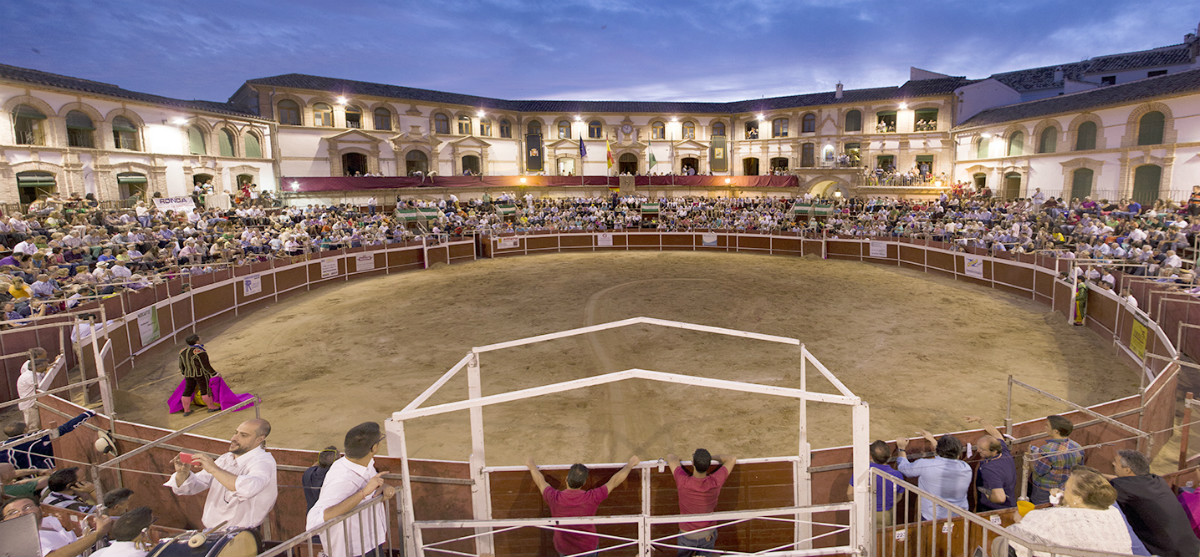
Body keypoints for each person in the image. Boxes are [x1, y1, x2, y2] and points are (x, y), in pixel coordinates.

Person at [165, 419, 277, 531]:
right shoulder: (226, 458)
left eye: (243, 435)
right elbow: (194, 485)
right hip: (211, 532)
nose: (234, 438)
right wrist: (182, 473)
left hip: (242, 536)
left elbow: (248, 488)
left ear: (259, 439)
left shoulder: (263, 462)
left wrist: (213, 469)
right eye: (236, 432)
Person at [307, 422, 395, 557]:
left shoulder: (364, 463)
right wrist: (363, 493)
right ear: (374, 447)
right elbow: (315, 519)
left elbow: (371, 484)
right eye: (380, 440)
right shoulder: (341, 479)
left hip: (371, 542)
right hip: (352, 551)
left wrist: (383, 487)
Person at [526, 454, 640, 557]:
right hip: (587, 548)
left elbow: (540, 481)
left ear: (566, 479)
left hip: (565, 549)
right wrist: (630, 465)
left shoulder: (554, 497)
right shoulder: (592, 497)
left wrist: (531, 465)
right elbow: (614, 481)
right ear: (584, 483)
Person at [1005, 467, 1132, 557]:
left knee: (1002, 544)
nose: (1063, 491)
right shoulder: (1112, 511)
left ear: (1078, 498)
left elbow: (1014, 535)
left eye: (1066, 489)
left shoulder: (1058, 517)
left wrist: (1022, 519)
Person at [1108, 449, 1200, 556]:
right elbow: (1127, 481)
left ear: (1128, 470)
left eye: (1116, 462)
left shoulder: (1121, 487)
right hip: (1190, 549)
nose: (1113, 464)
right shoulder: (1157, 480)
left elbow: (1105, 486)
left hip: (1165, 553)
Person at [667, 449, 736, 556]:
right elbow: (731, 459)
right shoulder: (715, 482)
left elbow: (671, 457)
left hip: (687, 535)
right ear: (708, 465)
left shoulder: (683, 481)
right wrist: (709, 458)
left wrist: (680, 459)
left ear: (693, 463)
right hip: (707, 535)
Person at [894, 430, 971, 520]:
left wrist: (901, 449)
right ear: (959, 454)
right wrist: (933, 440)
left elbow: (904, 468)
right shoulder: (966, 468)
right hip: (959, 517)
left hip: (932, 518)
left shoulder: (925, 465)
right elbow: (946, 457)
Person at [2, 495, 113, 557]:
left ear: (40, 509)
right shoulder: (18, 541)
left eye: (27, 507)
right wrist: (99, 533)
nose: (21, 513)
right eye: (12, 512)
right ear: (5, 520)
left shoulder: (48, 523)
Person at [3, 410, 96, 469]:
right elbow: (65, 428)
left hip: (25, 482)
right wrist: (87, 414)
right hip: (46, 472)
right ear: (25, 430)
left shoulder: (2, 446)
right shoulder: (36, 437)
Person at [964, 416, 1016, 511]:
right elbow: (996, 434)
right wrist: (979, 419)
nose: (978, 451)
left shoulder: (990, 469)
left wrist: (988, 496)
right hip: (1010, 504)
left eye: (982, 449)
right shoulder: (1003, 451)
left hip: (993, 509)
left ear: (993, 451)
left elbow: (1000, 498)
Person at [846, 440, 905, 524]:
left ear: (870, 456)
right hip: (887, 513)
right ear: (890, 455)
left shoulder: (862, 471)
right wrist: (890, 504)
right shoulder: (897, 475)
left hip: (866, 512)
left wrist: (861, 506)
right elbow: (899, 496)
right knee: (884, 536)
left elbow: (849, 493)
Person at [1029, 415, 1083, 505]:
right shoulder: (1077, 447)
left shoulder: (1047, 450)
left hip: (1045, 491)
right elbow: (1079, 469)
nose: (1045, 427)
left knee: (1041, 510)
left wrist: (1030, 457)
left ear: (1056, 431)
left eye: (1047, 425)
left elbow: (1037, 471)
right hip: (1065, 488)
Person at [178, 334, 219, 416]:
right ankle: (211, 407)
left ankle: (186, 410)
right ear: (197, 341)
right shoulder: (200, 351)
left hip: (188, 375)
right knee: (205, 390)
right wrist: (214, 374)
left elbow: (181, 365)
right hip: (200, 374)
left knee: (187, 391)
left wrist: (184, 372)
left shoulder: (182, 351)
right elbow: (205, 365)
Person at [16, 347, 49, 428]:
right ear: (39, 367)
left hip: (34, 403)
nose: (47, 367)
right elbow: (42, 387)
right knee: (33, 428)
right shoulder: (30, 376)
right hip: (30, 405)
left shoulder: (35, 373)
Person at [302, 445, 338, 511]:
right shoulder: (333, 480)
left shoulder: (308, 473)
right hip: (328, 516)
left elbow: (315, 465)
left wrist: (324, 459)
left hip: (311, 515)